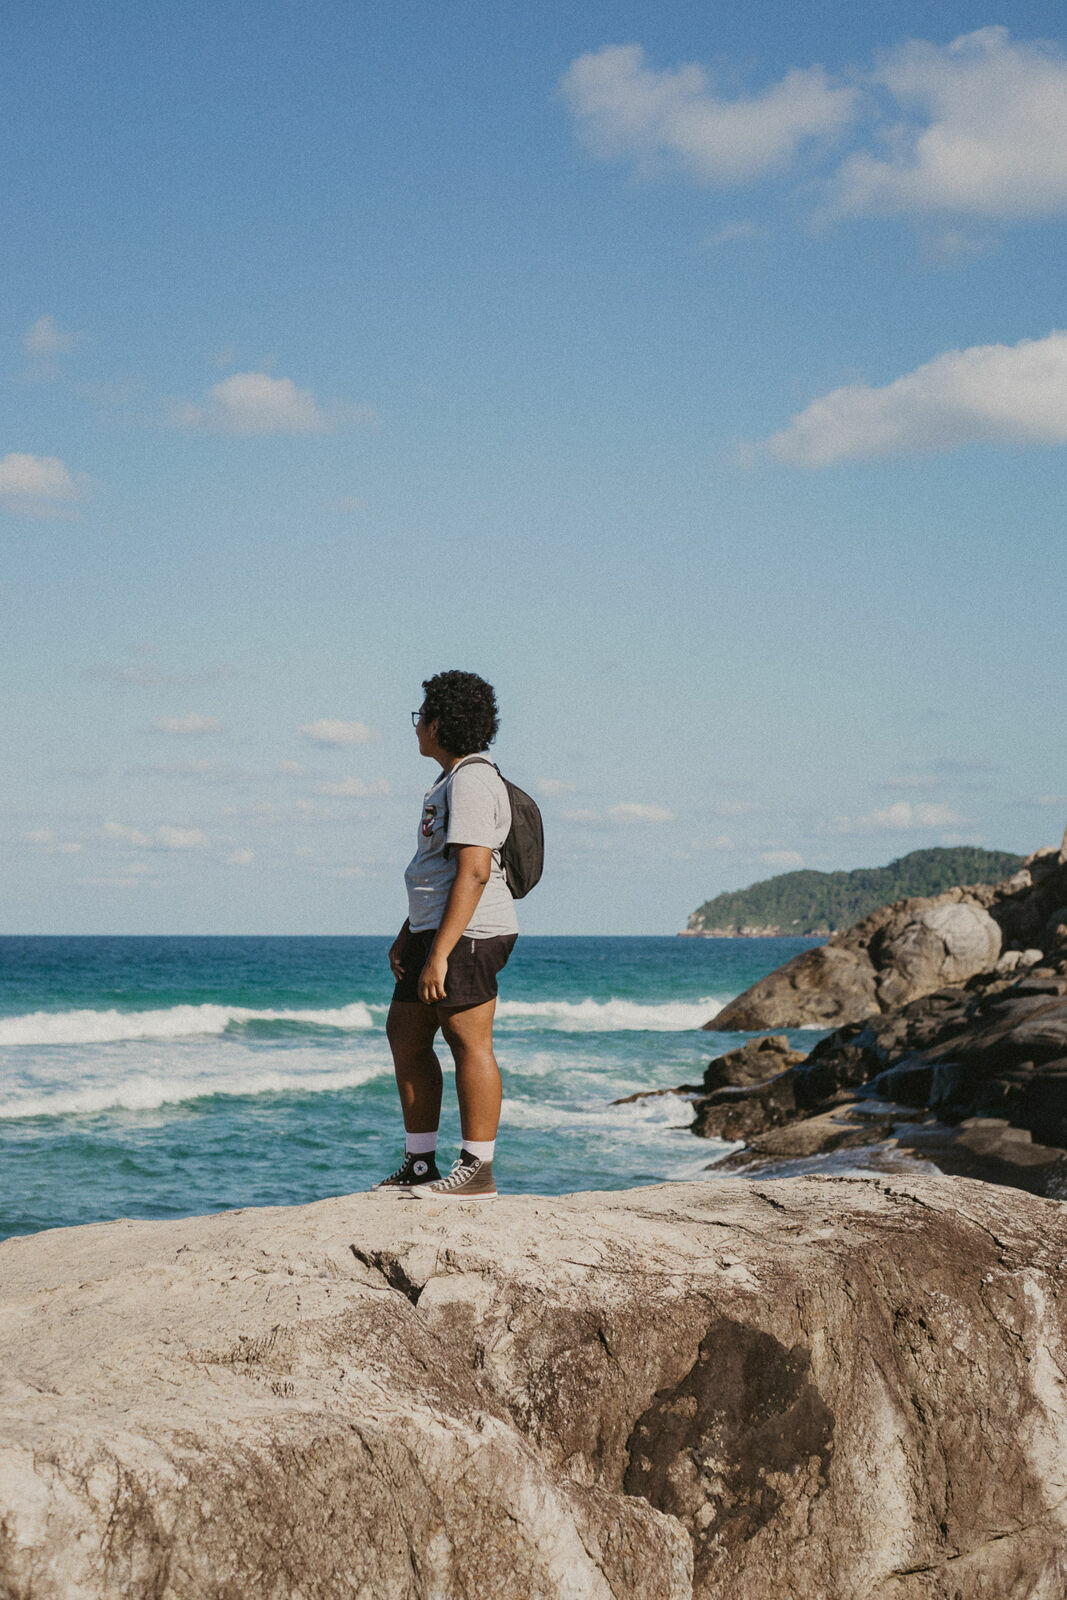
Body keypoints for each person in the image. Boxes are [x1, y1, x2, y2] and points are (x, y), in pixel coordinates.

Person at [373, 670, 518, 1199]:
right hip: (433, 929)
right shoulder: (449, 779)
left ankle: (477, 1168)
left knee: (467, 1041)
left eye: (420, 717)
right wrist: (408, 933)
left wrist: (440, 953)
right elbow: (436, 870)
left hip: (471, 933)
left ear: (438, 723)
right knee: (406, 1036)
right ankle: (419, 1164)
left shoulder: (474, 780)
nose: (416, 728)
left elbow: (475, 870)